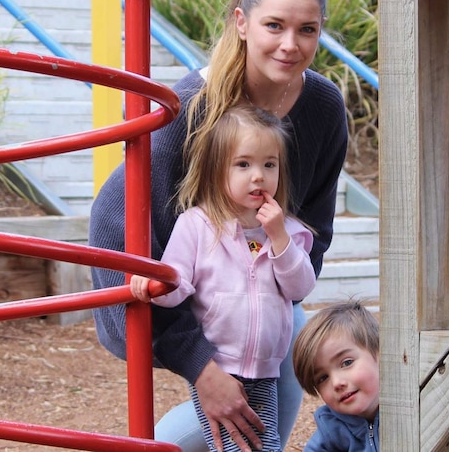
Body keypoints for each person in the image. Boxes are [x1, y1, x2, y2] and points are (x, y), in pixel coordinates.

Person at [88, 0, 348, 450]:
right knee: (222, 400)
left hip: (256, 281)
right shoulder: (190, 107)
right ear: (241, 22)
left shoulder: (323, 107)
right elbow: (116, 222)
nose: (290, 44)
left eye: (307, 29)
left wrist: (281, 290)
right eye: (274, 25)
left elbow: (315, 224)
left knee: (276, 377)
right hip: (174, 286)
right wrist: (199, 364)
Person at [129, 105, 315, 452]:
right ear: (218, 171)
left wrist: (278, 239)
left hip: (264, 366)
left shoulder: (289, 232)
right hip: (217, 362)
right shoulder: (198, 225)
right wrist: (154, 285)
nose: (258, 176)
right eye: (243, 164)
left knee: (261, 443)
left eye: (269, 164)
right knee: (237, 446)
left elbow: (300, 287)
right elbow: (178, 282)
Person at [292, 301, 449, 451]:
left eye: (347, 363)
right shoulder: (333, 426)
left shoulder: (421, 402)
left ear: (381, 355)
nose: (337, 382)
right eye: (322, 378)